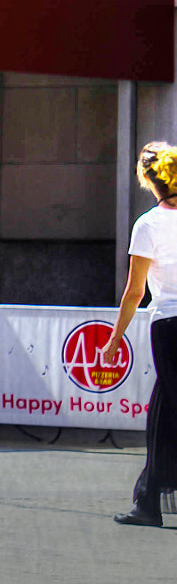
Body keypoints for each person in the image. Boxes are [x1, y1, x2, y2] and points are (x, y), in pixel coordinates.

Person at [107, 143, 177, 528]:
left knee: (165, 413)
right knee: (164, 411)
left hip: (169, 325)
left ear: (151, 182)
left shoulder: (148, 224)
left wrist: (116, 337)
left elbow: (135, 291)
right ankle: (148, 497)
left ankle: (148, 501)